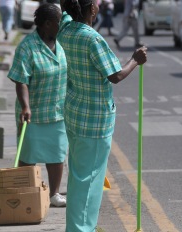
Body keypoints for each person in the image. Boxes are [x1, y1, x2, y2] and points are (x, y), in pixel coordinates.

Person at [57, 0, 147, 231]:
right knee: (89, 182)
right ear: (93, 10)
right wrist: (135, 60)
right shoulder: (92, 38)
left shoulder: (65, 30)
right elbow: (115, 75)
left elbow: (66, 13)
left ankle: (76, 227)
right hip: (94, 120)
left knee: (79, 176)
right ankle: (81, 229)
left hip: (75, 113)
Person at [7, 3, 68, 207]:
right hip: (32, 112)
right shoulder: (27, 46)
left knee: (57, 153)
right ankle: (24, 192)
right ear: (48, 24)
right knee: (28, 154)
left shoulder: (61, 43)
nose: (63, 25)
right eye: (60, 22)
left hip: (58, 111)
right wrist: (25, 106)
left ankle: (54, 194)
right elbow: (21, 80)